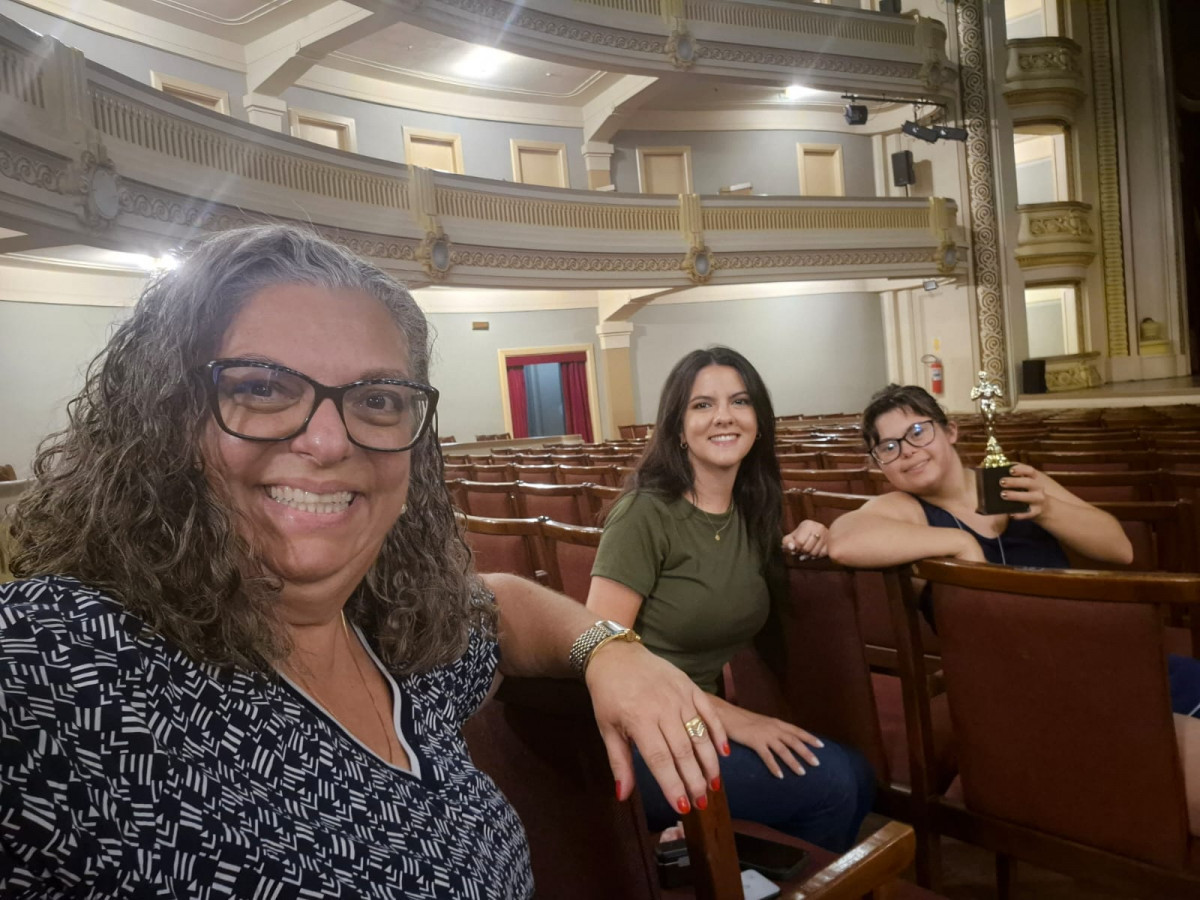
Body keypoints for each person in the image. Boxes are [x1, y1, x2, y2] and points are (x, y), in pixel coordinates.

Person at [0, 225, 730, 898]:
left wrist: (610, 648)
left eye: (377, 399)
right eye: (261, 388)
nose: (328, 441)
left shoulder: (397, 634)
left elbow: (502, 604)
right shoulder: (58, 660)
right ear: (165, 419)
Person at [585, 347, 875, 853]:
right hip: (641, 733)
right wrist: (740, 720)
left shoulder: (752, 512)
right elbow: (596, 652)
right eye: (702, 405)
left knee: (859, 773)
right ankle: (737, 872)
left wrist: (812, 532)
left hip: (701, 717)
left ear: (758, 422)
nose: (724, 416)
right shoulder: (643, 514)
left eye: (739, 401)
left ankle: (740, 869)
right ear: (678, 428)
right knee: (836, 784)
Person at [827, 383, 1200, 719]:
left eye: (918, 432)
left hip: (1095, 652)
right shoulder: (905, 508)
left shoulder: (1013, 479)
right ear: (881, 464)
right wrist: (959, 542)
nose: (907, 451)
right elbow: (845, 541)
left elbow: (1120, 549)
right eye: (889, 447)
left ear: (950, 431)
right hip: (1019, 684)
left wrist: (1048, 509)